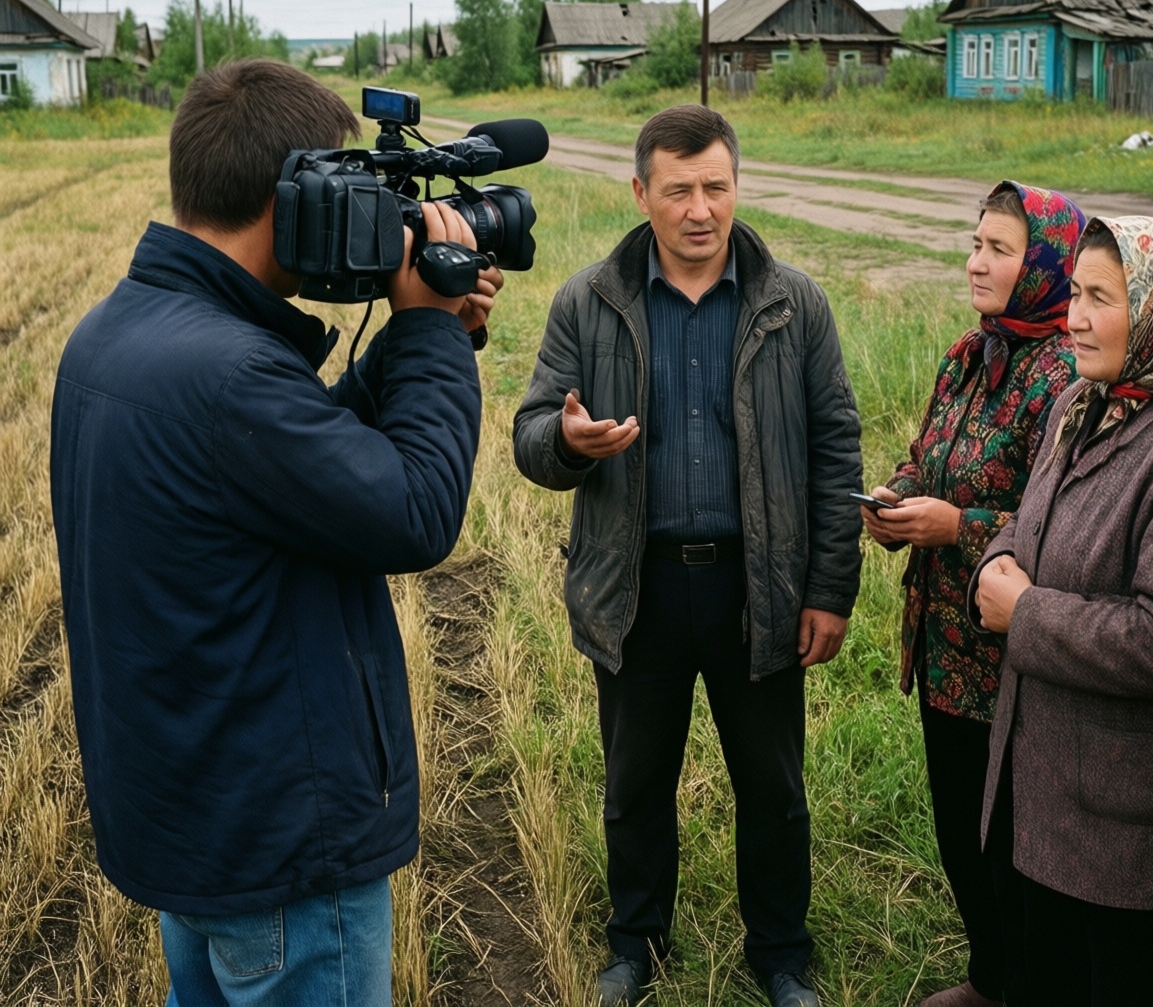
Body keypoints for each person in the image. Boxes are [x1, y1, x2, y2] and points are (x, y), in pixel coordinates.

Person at [51, 60, 502, 1006]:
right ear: (297, 196)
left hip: (198, 826)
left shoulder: (119, 335)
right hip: (286, 853)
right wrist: (425, 333)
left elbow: (297, 471)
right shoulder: (229, 374)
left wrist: (417, 338)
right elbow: (415, 512)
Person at [512, 104, 862, 1007]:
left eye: (716, 186)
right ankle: (635, 944)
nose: (700, 208)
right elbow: (529, 434)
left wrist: (829, 588)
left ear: (737, 185)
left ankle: (782, 954)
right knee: (634, 785)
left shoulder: (795, 304)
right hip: (637, 588)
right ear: (641, 193)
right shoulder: (588, 302)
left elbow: (836, 448)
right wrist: (567, 439)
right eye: (678, 190)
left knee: (775, 789)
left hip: (761, 587)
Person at [971, 216, 1153, 1007]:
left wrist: (1023, 614)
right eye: (1077, 294)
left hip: (1117, 834)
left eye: (1104, 298)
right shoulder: (1082, 399)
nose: (1077, 318)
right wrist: (996, 555)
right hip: (1037, 787)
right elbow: (1033, 519)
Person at [861, 180, 1085, 1007]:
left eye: (1000, 249)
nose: (976, 262)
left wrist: (953, 525)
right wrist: (896, 496)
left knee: (1012, 845)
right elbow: (927, 452)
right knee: (960, 828)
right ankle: (991, 979)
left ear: (1046, 265)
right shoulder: (970, 351)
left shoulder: (1062, 372)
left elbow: (1058, 521)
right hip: (945, 646)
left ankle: (1024, 985)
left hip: (1012, 657)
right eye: (976, 242)